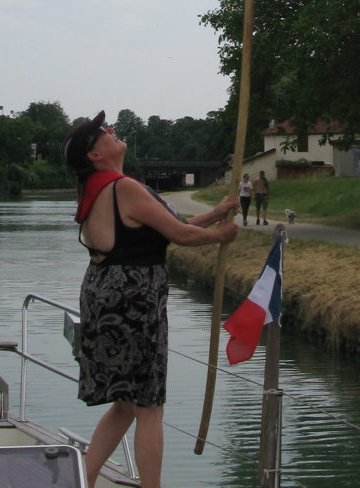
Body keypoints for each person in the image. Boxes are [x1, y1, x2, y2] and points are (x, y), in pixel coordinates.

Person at [63, 110, 238, 488]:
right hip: (132, 301)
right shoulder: (124, 188)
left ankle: (85, 479)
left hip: (103, 294)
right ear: (95, 154)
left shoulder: (102, 186)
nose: (111, 131)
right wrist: (221, 237)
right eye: (102, 133)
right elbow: (182, 237)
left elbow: (172, 227)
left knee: (126, 403)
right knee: (149, 405)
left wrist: (216, 215)